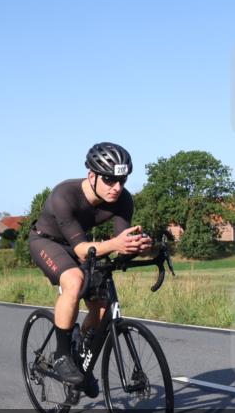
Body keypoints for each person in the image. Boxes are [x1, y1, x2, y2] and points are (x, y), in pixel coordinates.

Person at [29, 142, 153, 383]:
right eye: (109, 180)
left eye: (123, 181)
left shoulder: (123, 200)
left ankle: (81, 357)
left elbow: (122, 248)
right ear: (91, 175)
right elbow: (83, 251)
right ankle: (62, 355)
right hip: (47, 242)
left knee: (103, 306)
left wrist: (145, 248)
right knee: (74, 280)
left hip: (82, 244)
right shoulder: (64, 195)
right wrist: (116, 244)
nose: (117, 188)